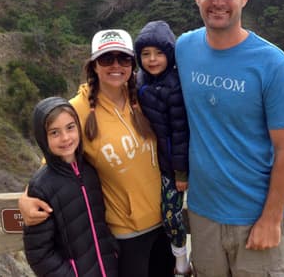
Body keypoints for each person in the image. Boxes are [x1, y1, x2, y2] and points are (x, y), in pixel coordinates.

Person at [175, 0, 284, 276]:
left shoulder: (273, 64)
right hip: (202, 214)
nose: (219, 1)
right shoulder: (184, 48)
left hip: (254, 216)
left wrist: (272, 219)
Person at [19, 29, 175, 277]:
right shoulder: (76, 110)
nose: (116, 66)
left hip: (162, 225)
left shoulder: (143, 96)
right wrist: (26, 198)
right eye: (106, 59)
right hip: (126, 234)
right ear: (93, 66)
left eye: (123, 59)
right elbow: (53, 162)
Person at [23, 96, 118, 277]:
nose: (65, 138)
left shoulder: (91, 170)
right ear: (43, 138)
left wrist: (113, 251)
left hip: (108, 269)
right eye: (54, 133)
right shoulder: (41, 187)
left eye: (70, 127)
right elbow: (38, 254)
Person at [134, 20, 191, 276]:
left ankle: (180, 257)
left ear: (169, 54)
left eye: (159, 53)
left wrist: (181, 172)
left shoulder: (175, 85)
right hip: (148, 164)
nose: (152, 59)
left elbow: (181, 132)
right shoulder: (138, 80)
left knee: (170, 213)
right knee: (152, 212)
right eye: (146, 54)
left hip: (170, 166)